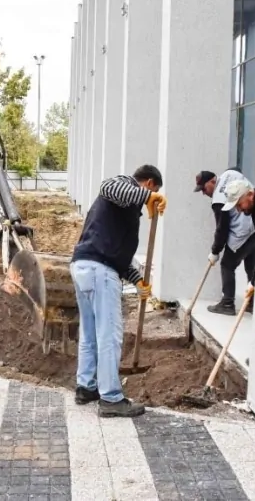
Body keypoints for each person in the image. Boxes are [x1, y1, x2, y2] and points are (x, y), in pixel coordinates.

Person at [70, 164, 167, 418]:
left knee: (89, 332)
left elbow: (119, 256)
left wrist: (138, 281)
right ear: (148, 183)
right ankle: (111, 398)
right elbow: (109, 187)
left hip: (84, 266)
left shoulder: (123, 211)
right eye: (152, 191)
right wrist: (148, 197)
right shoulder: (121, 186)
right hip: (99, 270)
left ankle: (87, 387)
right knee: (109, 335)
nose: (149, 203)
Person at [194, 169, 255, 315]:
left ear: (213, 181)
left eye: (204, 188)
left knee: (227, 265)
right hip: (253, 228)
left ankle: (227, 303)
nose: (204, 193)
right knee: (251, 266)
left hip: (241, 233)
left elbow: (222, 229)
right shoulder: (231, 174)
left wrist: (215, 251)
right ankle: (252, 302)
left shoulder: (218, 199)